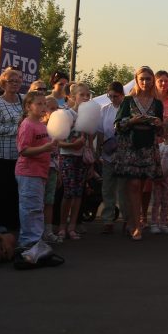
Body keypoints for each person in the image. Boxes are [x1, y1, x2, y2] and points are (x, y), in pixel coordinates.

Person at [113, 66, 163, 241]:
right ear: (136, 80)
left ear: (152, 81)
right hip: (130, 148)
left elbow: (160, 131)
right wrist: (132, 120)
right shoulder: (128, 101)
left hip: (147, 147)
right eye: (142, 79)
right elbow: (117, 124)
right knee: (133, 185)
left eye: (148, 79)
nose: (145, 82)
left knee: (141, 186)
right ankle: (135, 225)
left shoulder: (157, 103)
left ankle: (132, 220)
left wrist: (158, 124)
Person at [16, 90, 59, 252]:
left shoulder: (41, 125)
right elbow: (23, 150)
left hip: (39, 172)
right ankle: (28, 242)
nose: (43, 107)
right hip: (28, 173)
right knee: (30, 208)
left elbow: (46, 147)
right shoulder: (27, 125)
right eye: (39, 104)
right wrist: (45, 147)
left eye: (44, 104)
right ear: (28, 106)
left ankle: (35, 240)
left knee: (37, 207)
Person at [57, 83, 92, 241]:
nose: (85, 98)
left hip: (81, 158)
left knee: (79, 193)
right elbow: (57, 142)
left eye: (87, 95)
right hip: (67, 157)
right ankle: (62, 226)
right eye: (82, 95)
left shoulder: (87, 116)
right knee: (69, 193)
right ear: (73, 97)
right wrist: (73, 145)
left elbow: (89, 140)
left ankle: (72, 227)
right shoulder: (66, 115)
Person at [0, 67, 24, 231]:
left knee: (16, 190)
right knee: (2, 188)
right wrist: (18, 129)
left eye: (18, 80)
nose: (15, 83)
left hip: (20, 153)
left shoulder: (23, 100)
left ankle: (14, 222)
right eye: (12, 80)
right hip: (3, 154)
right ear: (4, 83)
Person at [97, 82, 127, 234]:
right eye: (110, 96)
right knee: (108, 188)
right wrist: (99, 151)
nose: (113, 99)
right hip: (108, 154)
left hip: (124, 155)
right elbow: (100, 131)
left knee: (123, 189)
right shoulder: (105, 110)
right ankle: (108, 219)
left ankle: (126, 219)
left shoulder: (127, 109)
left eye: (115, 96)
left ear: (122, 95)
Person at [41, 95, 62, 243]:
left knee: (49, 201)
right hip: (39, 170)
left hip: (53, 169)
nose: (55, 111)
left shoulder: (57, 129)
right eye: (51, 108)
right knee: (38, 202)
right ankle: (36, 231)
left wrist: (59, 170)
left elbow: (58, 152)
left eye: (57, 108)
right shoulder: (39, 127)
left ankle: (47, 231)